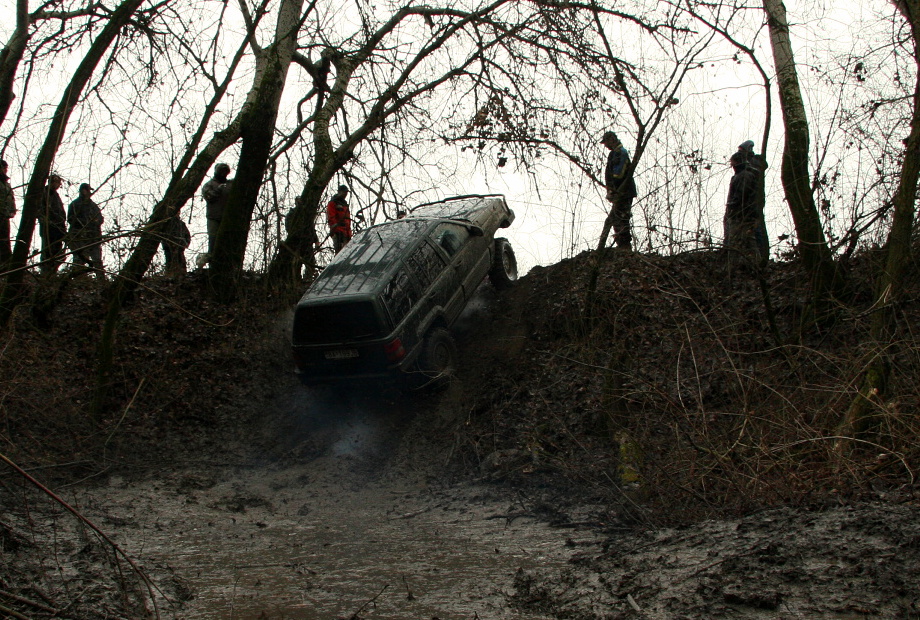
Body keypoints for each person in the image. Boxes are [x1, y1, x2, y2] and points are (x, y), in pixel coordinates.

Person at [601, 131, 638, 251]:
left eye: (606, 142)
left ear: (611, 140)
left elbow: (618, 173)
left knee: (622, 217)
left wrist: (614, 190)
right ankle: (621, 245)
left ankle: (625, 246)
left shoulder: (620, 152)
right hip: (619, 191)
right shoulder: (614, 153)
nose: (606, 145)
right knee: (616, 218)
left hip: (624, 191)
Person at [723, 151, 760, 266]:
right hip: (743, 214)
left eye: (733, 163)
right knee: (747, 240)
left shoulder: (744, 175)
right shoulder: (741, 175)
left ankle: (733, 266)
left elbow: (741, 196)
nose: (732, 165)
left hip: (741, 215)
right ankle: (756, 264)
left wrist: (732, 207)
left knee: (737, 240)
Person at [737, 139, 769, 262]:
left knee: (757, 229)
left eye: (741, 152)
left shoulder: (754, 163)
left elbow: (760, 166)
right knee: (747, 230)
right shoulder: (747, 166)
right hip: (746, 202)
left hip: (754, 202)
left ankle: (761, 256)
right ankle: (750, 256)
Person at [67, 183, 105, 279]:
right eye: (86, 190)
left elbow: (100, 219)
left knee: (97, 261)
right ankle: (78, 281)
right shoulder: (75, 205)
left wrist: (95, 222)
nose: (88, 192)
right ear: (82, 191)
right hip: (80, 238)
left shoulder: (93, 205)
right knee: (80, 261)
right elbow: (71, 219)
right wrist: (84, 223)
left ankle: (101, 281)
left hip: (94, 238)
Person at [199, 163, 232, 267]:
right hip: (214, 217)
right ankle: (213, 266)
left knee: (227, 244)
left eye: (225, 172)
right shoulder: (210, 185)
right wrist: (218, 190)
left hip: (228, 219)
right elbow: (208, 196)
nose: (223, 174)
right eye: (221, 171)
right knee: (213, 242)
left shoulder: (230, 185)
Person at [39, 174, 67, 274]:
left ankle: (52, 273)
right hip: (48, 227)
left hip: (58, 229)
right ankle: (45, 272)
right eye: (57, 182)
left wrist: (62, 223)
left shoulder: (56, 195)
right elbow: (41, 211)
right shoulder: (44, 193)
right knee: (47, 251)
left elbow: (61, 212)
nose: (58, 185)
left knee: (58, 252)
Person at [326, 184, 351, 253]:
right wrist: (335, 230)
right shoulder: (333, 203)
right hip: (338, 232)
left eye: (346, 193)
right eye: (344, 192)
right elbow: (331, 218)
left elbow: (348, 220)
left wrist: (349, 233)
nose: (345, 194)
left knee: (347, 253)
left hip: (346, 233)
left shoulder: (345, 204)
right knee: (339, 253)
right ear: (339, 192)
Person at [0, 159, 16, 266]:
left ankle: (5, 265)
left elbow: (11, 199)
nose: (6, 170)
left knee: (5, 242)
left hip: (5, 217)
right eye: (4, 167)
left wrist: (12, 211)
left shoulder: (6, 184)